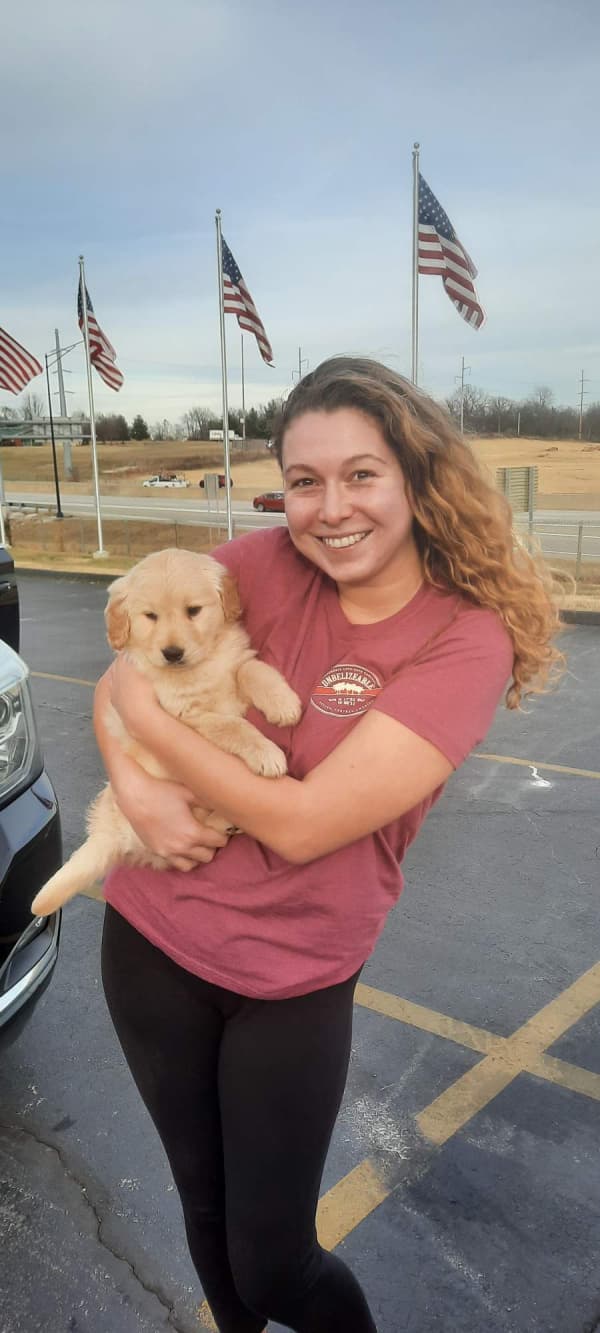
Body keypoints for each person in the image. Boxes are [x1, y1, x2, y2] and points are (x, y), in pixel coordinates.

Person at [95, 357, 561, 1333]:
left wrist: (157, 736)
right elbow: (128, 662)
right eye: (305, 480)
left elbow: (304, 820)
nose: (329, 507)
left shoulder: (463, 639)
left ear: (416, 478)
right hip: (150, 945)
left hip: (291, 979)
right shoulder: (258, 566)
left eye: (361, 474)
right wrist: (135, 782)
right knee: (206, 1213)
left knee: (275, 1263)